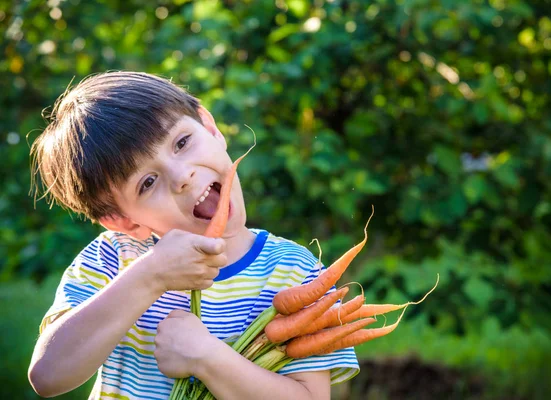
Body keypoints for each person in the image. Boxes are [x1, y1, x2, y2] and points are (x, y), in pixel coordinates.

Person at [28, 71, 359, 400]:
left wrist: (207, 358)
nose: (181, 176)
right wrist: (150, 276)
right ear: (123, 221)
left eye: (182, 143)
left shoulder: (294, 271)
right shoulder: (114, 259)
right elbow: (47, 376)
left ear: (211, 128)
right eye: (147, 183)